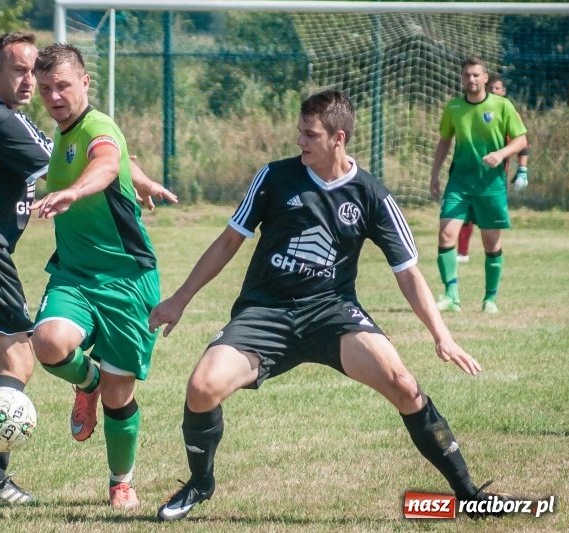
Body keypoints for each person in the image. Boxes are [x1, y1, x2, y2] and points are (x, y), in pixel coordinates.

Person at [148, 90, 513, 521]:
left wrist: (442, 335)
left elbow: (408, 272)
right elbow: (229, 240)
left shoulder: (371, 194)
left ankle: (469, 494)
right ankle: (200, 483)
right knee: (201, 387)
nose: (300, 141)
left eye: (310, 134)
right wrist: (179, 299)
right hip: (266, 313)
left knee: (403, 383)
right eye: (300, 132)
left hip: (332, 315)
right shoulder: (274, 177)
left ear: (338, 138)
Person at [0, 33, 175, 506]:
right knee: (24, 355)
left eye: (35, 74)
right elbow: (95, 161)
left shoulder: (8, 120)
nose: (36, 87)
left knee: (12, 356)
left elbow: (103, 158)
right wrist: (102, 180)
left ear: (84, 82)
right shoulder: (2, 122)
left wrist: (131, 177)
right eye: (22, 74)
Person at [30, 42, 176, 510]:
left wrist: (73, 192)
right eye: (46, 87)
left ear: (85, 83)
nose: (54, 96)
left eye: (63, 86)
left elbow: (107, 161)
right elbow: (123, 162)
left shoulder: (96, 125)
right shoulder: (65, 132)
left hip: (128, 280)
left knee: (120, 396)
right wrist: (145, 181)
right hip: (75, 274)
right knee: (49, 342)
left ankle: (121, 482)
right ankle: (85, 380)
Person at [430, 57, 527, 314]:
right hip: (459, 183)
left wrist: (502, 154)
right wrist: (434, 175)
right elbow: (444, 141)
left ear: (485, 78)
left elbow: (520, 140)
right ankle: (451, 295)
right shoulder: (453, 108)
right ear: (461, 79)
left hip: (490, 185)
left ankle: (490, 299)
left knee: (491, 244)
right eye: (466, 75)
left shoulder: (502, 105)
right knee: (445, 234)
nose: (471, 79)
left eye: (475, 75)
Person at [456, 72, 530, 264]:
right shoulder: (475, 109)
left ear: (504, 91)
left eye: (497, 89)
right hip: (470, 174)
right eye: (491, 89)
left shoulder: (508, 111)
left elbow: (521, 143)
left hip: (495, 178)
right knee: (464, 213)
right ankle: (462, 253)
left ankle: (493, 254)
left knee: (489, 220)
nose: (493, 91)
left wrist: (522, 170)